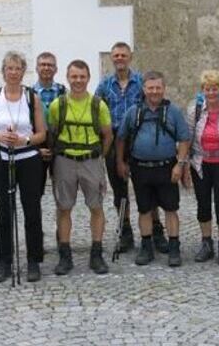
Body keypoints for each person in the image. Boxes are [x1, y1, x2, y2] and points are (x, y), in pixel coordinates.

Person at [0, 51, 47, 283]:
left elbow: (41, 134)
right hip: (1, 159)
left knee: (32, 210)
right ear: (3, 71)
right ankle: (4, 261)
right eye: (10, 68)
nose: (14, 72)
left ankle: (33, 261)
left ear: (23, 71)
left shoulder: (32, 98)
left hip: (28, 159)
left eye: (18, 68)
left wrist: (24, 140)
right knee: (4, 212)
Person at [95, 42, 168, 253]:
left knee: (148, 187)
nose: (120, 58)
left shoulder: (141, 82)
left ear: (130, 57)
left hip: (138, 140)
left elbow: (154, 106)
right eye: (116, 55)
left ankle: (156, 229)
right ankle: (125, 231)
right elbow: (97, 112)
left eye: (123, 55)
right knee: (120, 192)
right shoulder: (104, 85)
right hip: (114, 141)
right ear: (112, 58)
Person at [116, 71, 190, 267]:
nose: (154, 91)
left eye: (158, 88)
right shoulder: (133, 112)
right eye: (150, 88)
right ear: (144, 89)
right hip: (140, 168)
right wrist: (120, 162)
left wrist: (180, 165)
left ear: (164, 89)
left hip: (167, 167)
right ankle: (146, 246)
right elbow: (121, 138)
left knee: (171, 209)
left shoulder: (173, 112)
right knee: (144, 209)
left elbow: (184, 139)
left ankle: (174, 247)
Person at [49, 60, 113, 275]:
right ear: (67, 78)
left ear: (88, 78)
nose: (78, 80)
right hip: (64, 160)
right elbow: (52, 133)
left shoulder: (98, 105)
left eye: (82, 76)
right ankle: (65, 255)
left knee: (96, 206)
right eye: (74, 76)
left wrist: (99, 157)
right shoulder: (57, 105)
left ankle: (96, 254)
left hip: (90, 160)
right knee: (63, 208)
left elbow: (108, 135)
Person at [186, 70, 219, 265]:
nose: (211, 93)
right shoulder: (194, 111)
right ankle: (206, 242)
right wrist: (184, 166)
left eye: (214, 88)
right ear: (202, 90)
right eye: (207, 89)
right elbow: (188, 138)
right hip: (200, 163)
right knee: (203, 204)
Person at [33, 51, 66, 195]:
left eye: (50, 65)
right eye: (42, 65)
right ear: (36, 68)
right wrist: (35, 149)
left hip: (59, 144)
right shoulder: (28, 94)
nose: (46, 68)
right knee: (34, 191)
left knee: (62, 192)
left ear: (56, 69)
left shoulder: (64, 93)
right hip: (36, 145)